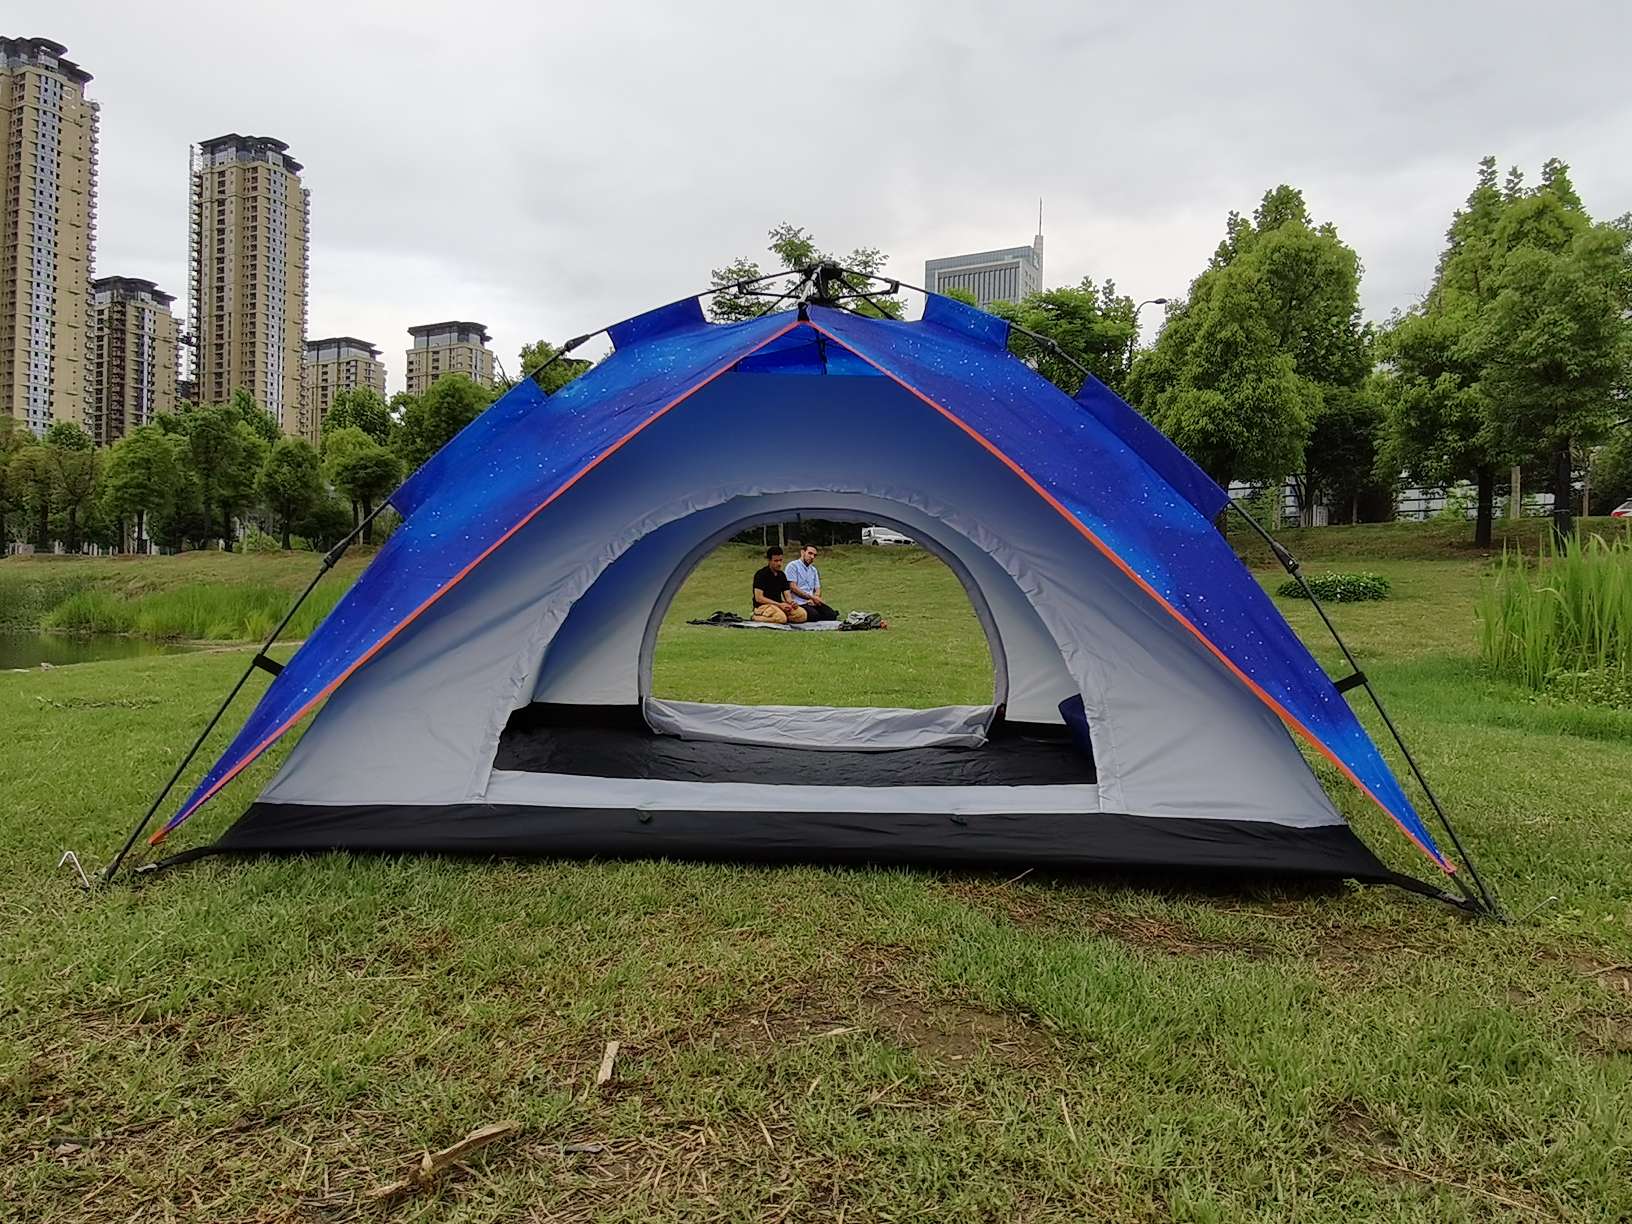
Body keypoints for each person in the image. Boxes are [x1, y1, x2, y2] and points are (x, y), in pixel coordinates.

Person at [751, 546, 806, 624]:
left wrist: (792, 603)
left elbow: (787, 597)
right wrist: (779, 604)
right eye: (776, 561)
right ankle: (756, 617)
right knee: (781, 619)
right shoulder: (761, 574)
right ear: (769, 561)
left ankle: (781, 616)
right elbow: (759, 598)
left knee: (802, 615)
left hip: (778, 605)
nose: (779, 564)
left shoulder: (782, 575)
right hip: (763, 606)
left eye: (780, 560)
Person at [784, 543, 840, 622]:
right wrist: (811, 597)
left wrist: (815, 598)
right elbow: (793, 587)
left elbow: (817, 588)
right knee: (814, 616)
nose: (812, 557)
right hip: (799, 602)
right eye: (810, 553)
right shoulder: (792, 566)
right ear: (802, 552)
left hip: (812, 601)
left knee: (832, 615)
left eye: (814, 555)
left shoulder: (813, 570)